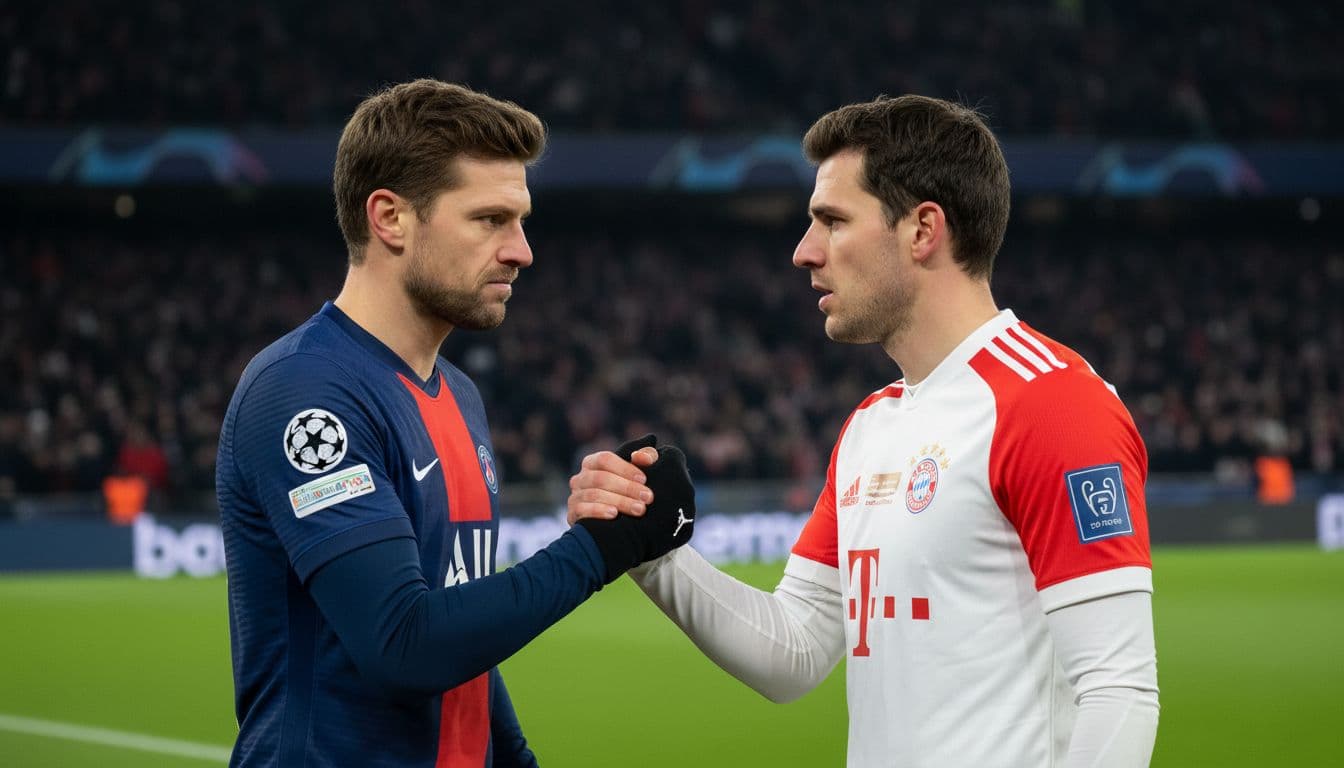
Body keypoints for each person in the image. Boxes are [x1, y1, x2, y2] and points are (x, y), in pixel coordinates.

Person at [574, 95, 1159, 766]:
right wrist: (651, 552)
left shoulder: (1051, 405)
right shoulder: (870, 426)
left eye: (832, 221)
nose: (803, 252)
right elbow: (792, 651)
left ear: (922, 231)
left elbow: (1118, 691)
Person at [216, 79, 693, 768]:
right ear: (391, 219)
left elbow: (461, 625)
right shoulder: (304, 390)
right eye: (489, 219)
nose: (521, 250)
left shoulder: (457, 394)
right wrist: (602, 548)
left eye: (521, 220)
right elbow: (404, 642)